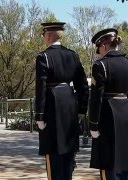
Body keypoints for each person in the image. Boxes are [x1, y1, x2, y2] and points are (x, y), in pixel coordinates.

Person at [35, 21, 89, 180]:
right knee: (68, 155)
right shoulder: (73, 55)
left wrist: (39, 116)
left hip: (52, 106)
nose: (44, 37)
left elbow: (41, 88)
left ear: (49, 35)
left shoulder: (43, 57)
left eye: (44, 34)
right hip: (70, 105)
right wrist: (81, 110)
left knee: (53, 156)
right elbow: (83, 86)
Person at [89, 28, 128, 180]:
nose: (99, 52)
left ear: (104, 45)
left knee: (108, 161)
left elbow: (96, 98)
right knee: (125, 160)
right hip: (127, 114)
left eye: (99, 48)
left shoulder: (100, 65)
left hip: (107, 116)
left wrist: (93, 124)